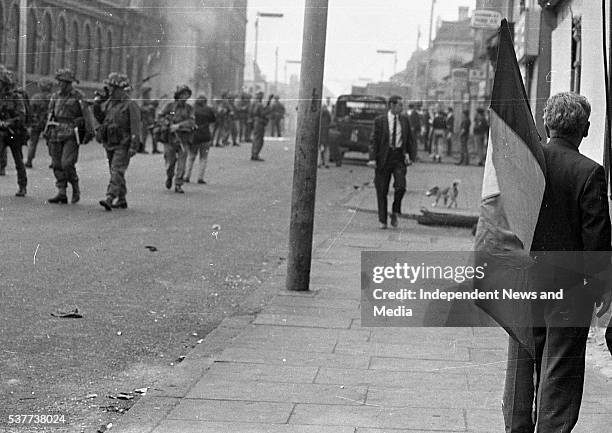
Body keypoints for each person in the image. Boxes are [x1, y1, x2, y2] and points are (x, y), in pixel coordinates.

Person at [502, 92, 611, 433]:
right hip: (570, 289)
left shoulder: (525, 164)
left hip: (523, 280)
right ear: (586, 130)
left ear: (546, 124)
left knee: (521, 367)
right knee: (560, 372)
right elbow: (596, 242)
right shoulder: (590, 172)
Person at [367, 95, 416, 229]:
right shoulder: (380, 121)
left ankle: (395, 211)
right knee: (382, 190)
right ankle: (383, 220)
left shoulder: (405, 120)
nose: (402, 107)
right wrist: (372, 159)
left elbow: (410, 139)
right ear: (392, 106)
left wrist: (411, 157)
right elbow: (374, 141)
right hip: (384, 158)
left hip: (398, 158)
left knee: (401, 186)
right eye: (400, 105)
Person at [93, 73, 141, 210]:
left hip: (123, 144)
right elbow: (102, 119)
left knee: (116, 170)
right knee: (115, 171)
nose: (111, 90)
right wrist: (97, 105)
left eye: (114, 88)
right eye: (110, 87)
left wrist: (133, 146)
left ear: (121, 89)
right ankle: (121, 199)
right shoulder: (110, 103)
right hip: (110, 142)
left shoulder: (130, 105)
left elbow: (136, 128)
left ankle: (110, 197)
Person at [46, 68, 85, 204]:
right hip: (56, 133)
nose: (60, 84)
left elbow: (85, 115)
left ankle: (75, 187)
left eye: (63, 82)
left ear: (69, 83)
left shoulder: (78, 96)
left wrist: (84, 130)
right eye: (59, 82)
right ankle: (61, 191)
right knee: (56, 164)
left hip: (71, 134)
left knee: (67, 163)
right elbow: (50, 113)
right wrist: (47, 130)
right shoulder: (55, 96)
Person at [159, 85, 195, 193]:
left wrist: (178, 125)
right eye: (183, 94)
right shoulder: (170, 106)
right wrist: (166, 123)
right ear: (178, 95)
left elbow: (192, 121)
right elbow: (160, 116)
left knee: (182, 163)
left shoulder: (189, 108)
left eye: (187, 94)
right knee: (170, 162)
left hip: (184, 139)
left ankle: (178, 183)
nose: (185, 96)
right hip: (170, 139)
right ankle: (169, 176)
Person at [0, 65, 28, 196]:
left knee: (18, 160)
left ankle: (22, 186)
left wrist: (8, 123)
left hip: (14, 133)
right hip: (1, 133)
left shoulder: (16, 97)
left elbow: (22, 116)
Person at [185, 94, 216, 184]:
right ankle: (200, 177)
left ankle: (187, 176)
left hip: (194, 136)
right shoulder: (209, 110)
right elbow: (213, 120)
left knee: (191, 156)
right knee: (203, 158)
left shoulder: (191, 109)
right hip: (206, 136)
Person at [25, 78, 54, 168]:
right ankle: (54, 161)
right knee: (51, 143)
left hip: (36, 122)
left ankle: (29, 161)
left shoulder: (35, 97)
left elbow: (30, 111)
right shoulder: (53, 97)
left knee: (33, 143)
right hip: (48, 123)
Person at [250, 91, 272, 161]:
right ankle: (255, 154)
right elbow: (263, 113)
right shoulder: (259, 104)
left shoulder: (255, 103)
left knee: (256, 139)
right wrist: (268, 106)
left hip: (256, 122)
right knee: (259, 140)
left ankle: (254, 154)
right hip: (260, 123)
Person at [139, 87, 160, 154]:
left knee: (154, 135)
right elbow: (140, 109)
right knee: (144, 136)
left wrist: (154, 104)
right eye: (147, 93)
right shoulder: (141, 100)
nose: (148, 94)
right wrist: (148, 108)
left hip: (151, 121)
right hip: (144, 121)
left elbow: (155, 106)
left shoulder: (149, 100)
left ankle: (155, 149)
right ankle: (142, 149)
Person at [318, 101, 331, 168]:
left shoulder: (319, 116)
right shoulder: (328, 115)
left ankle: (319, 163)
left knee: (320, 149)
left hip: (320, 135)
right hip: (326, 135)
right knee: (326, 149)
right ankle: (326, 163)